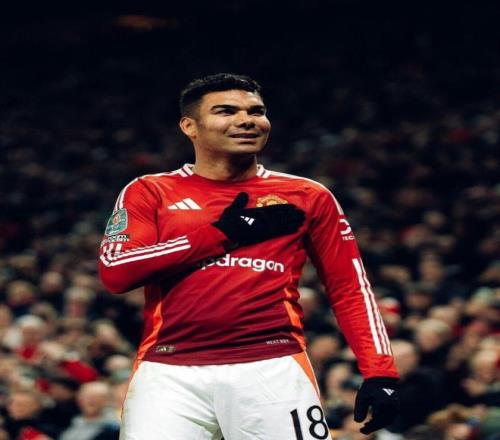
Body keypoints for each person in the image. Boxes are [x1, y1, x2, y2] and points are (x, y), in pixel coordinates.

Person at [98, 73, 400, 439]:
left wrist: (380, 371)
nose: (246, 120)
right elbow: (117, 272)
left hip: (273, 367)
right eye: (226, 111)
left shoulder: (308, 195)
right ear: (189, 126)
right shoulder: (151, 190)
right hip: (168, 372)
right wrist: (223, 234)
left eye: (256, 111)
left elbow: (350, 288)